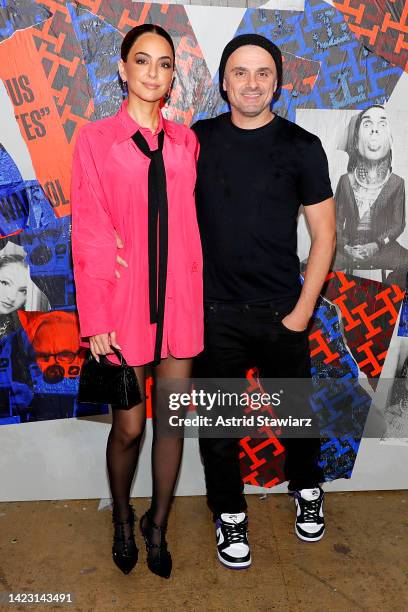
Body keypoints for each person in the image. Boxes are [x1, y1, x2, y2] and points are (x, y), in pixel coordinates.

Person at [190, 34, 336, 569]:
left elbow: (325, 236)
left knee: (297, 417)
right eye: (240, 72)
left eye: (263, 73)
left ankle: (307, 488)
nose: (251, 83)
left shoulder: (301, 146)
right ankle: (229, 516)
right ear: (223, 81)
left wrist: (302, 310)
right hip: (213, 315)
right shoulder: (197, 140)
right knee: (219, 429)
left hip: (282, 311)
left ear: (277, 81)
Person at [70, 24, 203, 578]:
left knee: (170, 423)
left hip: (181, 297)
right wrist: (96, 316)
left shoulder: (186, 141)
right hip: (123, 302)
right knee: (129, 426)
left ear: (174, 75)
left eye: (165, 63)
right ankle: (123, 517)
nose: (153, 72)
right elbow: (91, 232)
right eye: (142, 61)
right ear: (122, 69)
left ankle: (158, 525)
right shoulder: (95, 140)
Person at [332, 104, 407, 286]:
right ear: (357, 140)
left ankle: (385, 303)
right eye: (367, 124)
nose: (375, 129)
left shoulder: (397, 183)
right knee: (309, 266)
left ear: (389, 140)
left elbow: (399, 224)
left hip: (382, 247)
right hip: (347, 248)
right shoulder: (344, 181)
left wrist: (377, 244)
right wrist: (345, 246)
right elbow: (333, 221)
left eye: (382, 124)